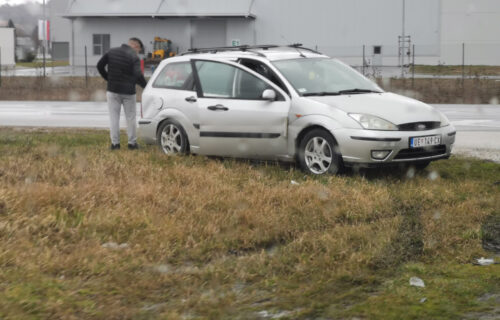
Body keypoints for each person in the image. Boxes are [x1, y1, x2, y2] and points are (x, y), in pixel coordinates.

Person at [97, 37, 147, 150]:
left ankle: (115, 144)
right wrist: (147, 87)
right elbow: (138, 76)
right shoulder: (134, 57)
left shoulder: (111, 51)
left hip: (112, 91)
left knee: (114, 118)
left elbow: (99, 66)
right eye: (139, 49)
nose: (138, 52)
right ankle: (132, 144)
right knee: (131, 118)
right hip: (129, 92)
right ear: (135, 46)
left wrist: (108, 79)